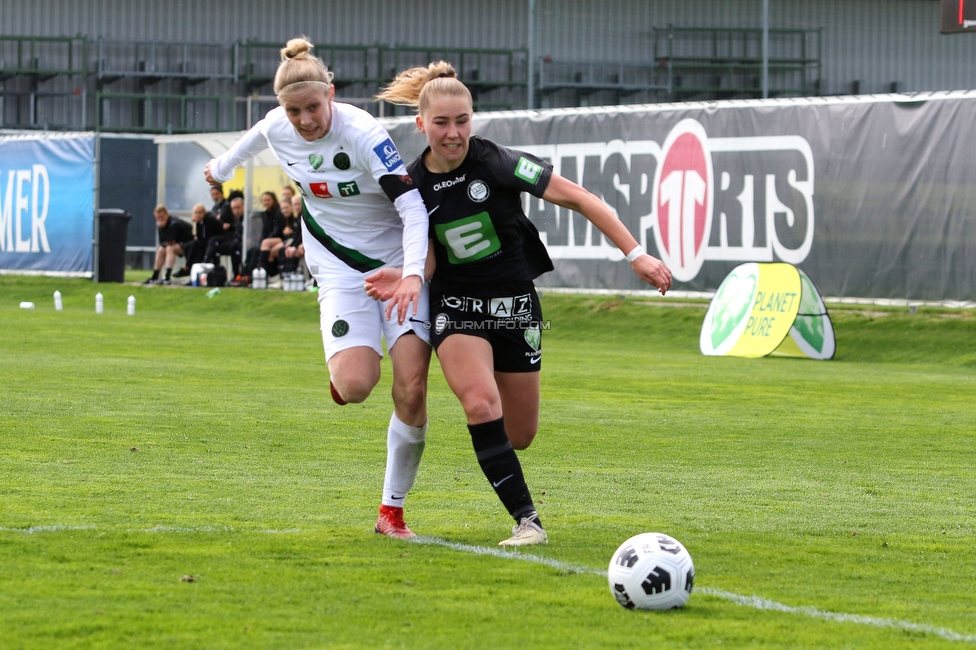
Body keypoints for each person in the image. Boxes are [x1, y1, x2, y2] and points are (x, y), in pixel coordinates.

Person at [367, 62, 673, 546]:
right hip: (458, 307)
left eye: (463, 120)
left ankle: (499, 464)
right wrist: (404, 277)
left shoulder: (499, 161)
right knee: (479, 402)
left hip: (515, 307)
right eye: (442, 123)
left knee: (520, 433)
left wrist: (635, 254)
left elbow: (581, 198)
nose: (454, 133)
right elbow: (425, 261)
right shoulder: (411, 186)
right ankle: (528, 522)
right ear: (421, 124)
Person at [203, 37, 432, 539]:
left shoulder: (365, 133)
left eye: (312, 107)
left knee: (411, 388)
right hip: (338, 265)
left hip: (396, 266)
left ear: (331, 93)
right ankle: (346, 366)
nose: (305, 120)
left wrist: (413, 273)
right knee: (355, 387)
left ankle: (390, 512)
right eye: (293, 110)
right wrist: (217, 171)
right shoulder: (275, 126)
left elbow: (412, 208)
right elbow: (234, 154)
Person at [239, 191, 286, 283]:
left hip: (279, 239)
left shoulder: (278, 212)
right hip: (269, 240)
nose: (266, 202)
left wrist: (264, 241)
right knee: (252, 251)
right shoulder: (264, 214)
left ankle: (258, 270)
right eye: (264, 200)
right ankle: (246, 273)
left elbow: (277, 230)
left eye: (268, 200)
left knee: (262, 248)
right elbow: (264, 231)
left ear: (274, 200)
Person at [143, 204, 193, 285]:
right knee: (161, 250)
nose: (160, 219)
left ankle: (167, 276)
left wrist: (166, 238)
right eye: (158, 218)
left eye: (162, 217)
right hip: (178, 244)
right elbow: (162, 242)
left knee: (170, 249)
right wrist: (162, 229)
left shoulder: (174, 223)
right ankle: (155, 275)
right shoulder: (160, 224)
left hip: (189, 245)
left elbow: (170, 240)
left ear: (166, 214)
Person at [173, 203, 225, 278]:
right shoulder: (200, 222)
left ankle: (187, 266)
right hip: (207, 242)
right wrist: (196, 223)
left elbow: (205, 236)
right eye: (196, 213)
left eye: (200, 212)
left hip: (215, 242)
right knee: (188, 246)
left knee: (195, 245)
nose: (198, 215)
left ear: (204, 212)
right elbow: (199, 236)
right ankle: (191, 270)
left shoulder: (210, 219)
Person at [204, 194, 244, 277]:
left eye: (238, 207)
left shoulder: (246, 218)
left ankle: (237, 275)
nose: (236, 210)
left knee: (234, 248)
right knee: (214, 243)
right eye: (234, 208)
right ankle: (212, 269)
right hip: (234, 240)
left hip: (240, 242)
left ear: (243, 207)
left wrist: (230, 226)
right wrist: (229, 226)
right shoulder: (234, 218)